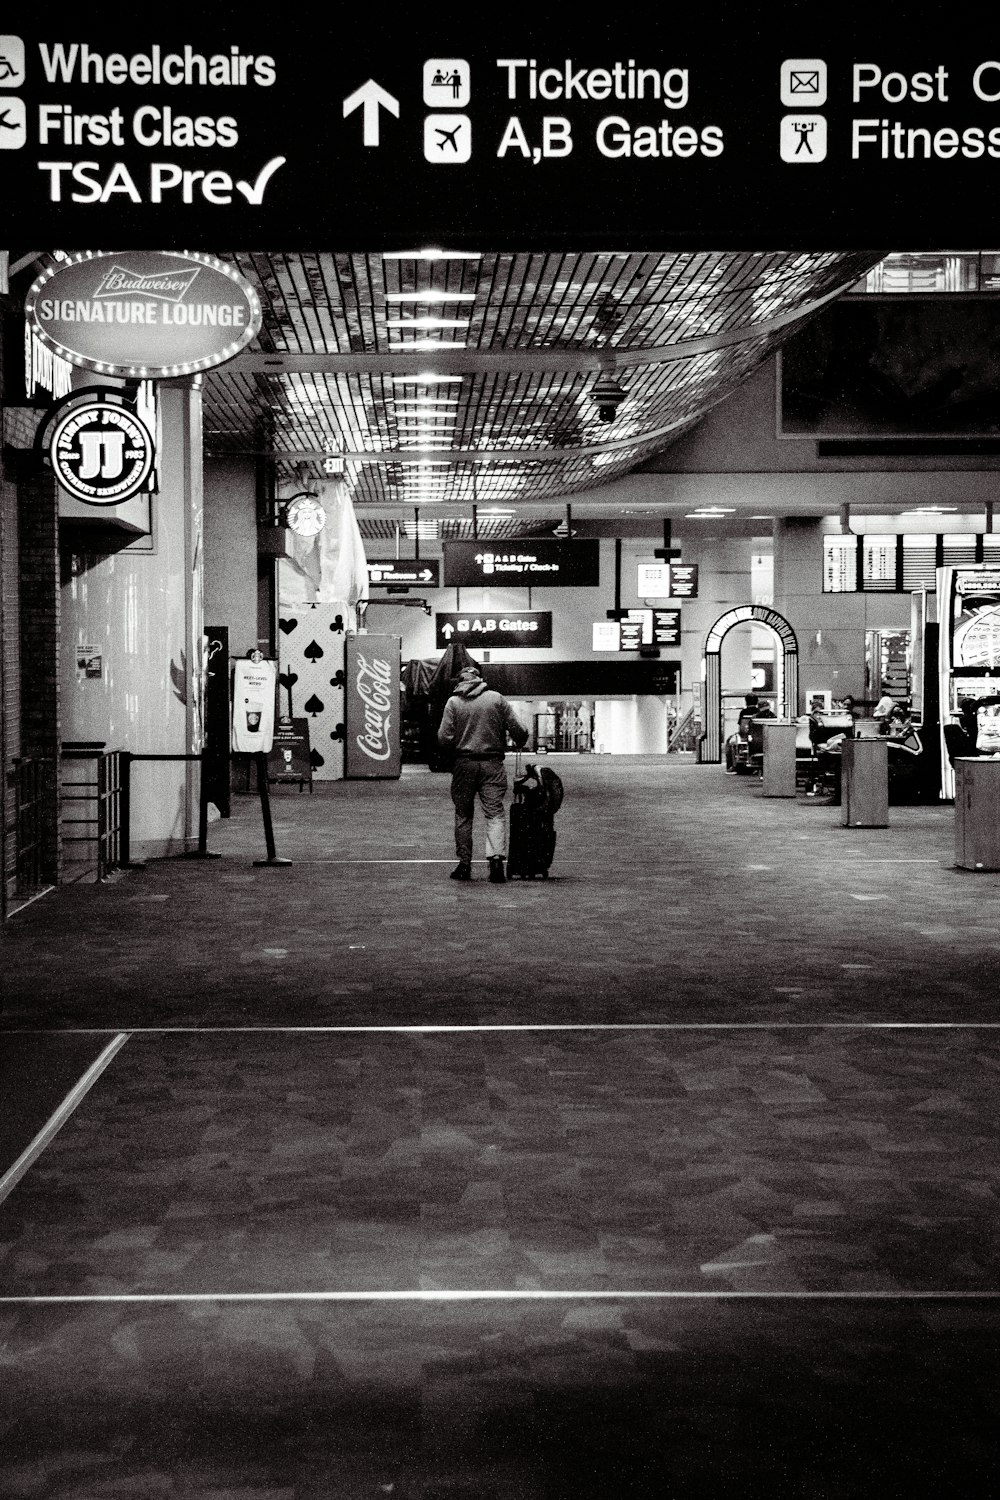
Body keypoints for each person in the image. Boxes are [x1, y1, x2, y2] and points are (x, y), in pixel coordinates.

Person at [437, 665, 529, 883]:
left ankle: (464, 865)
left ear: (460, 680)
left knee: (463, 814)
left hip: (464, 764)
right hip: (492, 764)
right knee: (494, 813)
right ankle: (496, 861)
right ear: (479, 679)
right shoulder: (496, 699)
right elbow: (519, 730)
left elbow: (444, 737)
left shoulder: (453, 702)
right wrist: (519, 739)